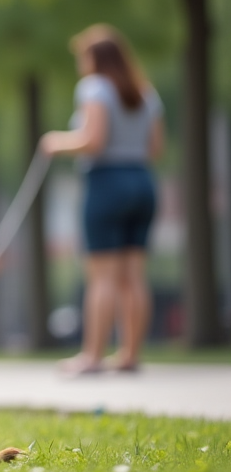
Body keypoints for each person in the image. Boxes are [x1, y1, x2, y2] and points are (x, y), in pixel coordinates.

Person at [41, 25, 164, 375]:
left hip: (107, 182)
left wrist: (55, 142)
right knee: (134, 275)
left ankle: (92, 356)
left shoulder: (94, 87)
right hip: (142, 181)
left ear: (96, 57)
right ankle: (130, 354)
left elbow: (93, 139)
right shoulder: (146, 92)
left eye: (83, 55)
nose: (81, 63)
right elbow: (155, 148)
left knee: (102, 276)